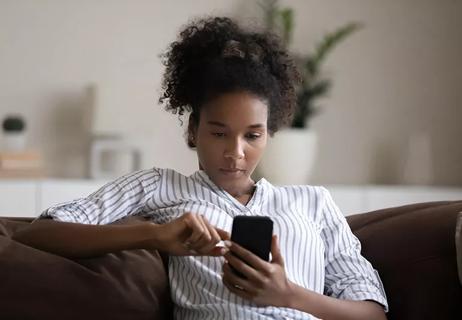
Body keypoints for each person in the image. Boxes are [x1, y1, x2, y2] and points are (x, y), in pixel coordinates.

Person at [13, 17, 388, 320]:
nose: (235, 153)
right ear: (193, 130)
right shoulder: (160, 187)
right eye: (219, 133)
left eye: (252, 136)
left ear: (268, 135)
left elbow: (372, 312)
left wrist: (288, 294)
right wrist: (152, 236)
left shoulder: (314, 203)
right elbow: (40, 235)